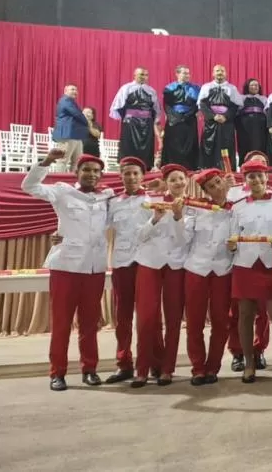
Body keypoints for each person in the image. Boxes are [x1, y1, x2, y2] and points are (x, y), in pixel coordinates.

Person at [21, 149, 112, 391]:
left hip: (94, 269)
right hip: (66, 267)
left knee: (90, 323)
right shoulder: (62, 192)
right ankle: (57, 372)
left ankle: (90, 369)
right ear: (76, 172)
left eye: (96, 171)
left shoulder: (106, 200)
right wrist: (47, 162)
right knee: (61, 323)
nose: (92, 174)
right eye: (87, 170)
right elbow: (30, 186)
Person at [229, 159, 272, 383]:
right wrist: (232, 244)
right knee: (245, 314)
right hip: (245, 265)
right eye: (250, 176)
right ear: (245, 180)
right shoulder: (237, 206)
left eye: (259, 175)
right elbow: (232, 236)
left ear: (266, 177)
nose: (255, 180)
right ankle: (248, 364)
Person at [133, 163, 193, 387]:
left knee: (174, 319)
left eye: (181, 178)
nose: (178, 183)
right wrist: (155, 219)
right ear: (166, 183)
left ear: (186, 181)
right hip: (149, 263)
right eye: (173, 179)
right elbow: (139, 236)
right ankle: (142, 369)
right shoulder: (149, 203)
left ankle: (168, 368)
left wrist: (178, 217)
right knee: (146, 319)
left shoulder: (193, 206)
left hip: (176, 266)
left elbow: (183, 240)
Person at [183, 169, 234, 386]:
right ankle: (197, 368)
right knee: (194, 322)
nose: (216, 188)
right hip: (197, 268)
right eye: (211, 187)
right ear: (205, 191)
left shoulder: (236, 208)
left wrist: (235, 247)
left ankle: (213, 367)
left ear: (225, 181)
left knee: (221, 322)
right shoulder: (196, 208)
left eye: (218, 182)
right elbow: (185, 236)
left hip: (223, 270)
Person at [103, 156, 150, 384]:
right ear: (120, 176)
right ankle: (124, 364)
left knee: (147, 318)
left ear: (143, 177)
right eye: (127, 173)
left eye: (135, 173)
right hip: (122, 263)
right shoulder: (112, 202)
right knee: (122, 317)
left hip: (146, 263)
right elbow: (96, 225)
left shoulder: (153, 199)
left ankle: (148, 365)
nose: (131, 177)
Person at [110, 67, 163, 169]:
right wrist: (127, 117)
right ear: (135, 75)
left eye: (146, 75)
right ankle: (127, 165)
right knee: (129, 145)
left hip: (146, 123)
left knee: (146, 147)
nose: (144, 77)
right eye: (141, 74)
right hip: (131, 122)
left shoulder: (151, 91)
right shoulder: (126, 88)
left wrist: (154, 120)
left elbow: (156, 109)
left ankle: (145, 167)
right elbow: (118, 105)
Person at [198, 65, 242, 169]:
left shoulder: (232, 88)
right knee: (209, 145)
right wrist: (213, 116)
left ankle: (227, 170)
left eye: (222, 71)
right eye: (217, 71)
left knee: (226, 145)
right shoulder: (206, 87)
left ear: (225, 73)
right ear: (213, 73)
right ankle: (208, 169)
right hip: (211, 123)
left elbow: (235, 106)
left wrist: (225, 116)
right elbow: (202, 104)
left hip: (226, 123)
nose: (220, 73)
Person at [162, 66, 200, 170]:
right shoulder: (169, 88)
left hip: (189, 119)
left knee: (190, 143)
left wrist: (188, 115)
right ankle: (172, 166)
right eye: (184, 73)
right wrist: (175, 117)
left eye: (188, 73)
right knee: (172, 143)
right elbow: (167, 105)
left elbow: (197, 104)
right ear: (177, 74)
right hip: (174, 119)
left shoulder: (196, 88)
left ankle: (190, 166)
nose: (187, 75)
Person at [54, 85, 89, 172]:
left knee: (77, 162)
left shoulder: (71, 102)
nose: (75, 91)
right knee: (63, 160)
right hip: (67, 134)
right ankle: (58, 181)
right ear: (65, 91)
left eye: (76, 90)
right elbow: (77, 114)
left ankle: (73, 181)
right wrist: (86, 121)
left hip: (75, 135)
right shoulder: (65, 100)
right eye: (72, 89)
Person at [236, 78, 269, 164]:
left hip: (260, 126)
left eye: (256, 85)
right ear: (247, 87)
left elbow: (268, 113)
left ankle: (260, 164)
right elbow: (236, 113)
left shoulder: (264, 99)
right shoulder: (241, 98)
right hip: (245, 126)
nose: (254, 87)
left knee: (260, 145)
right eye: (252, 85)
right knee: (245, 145)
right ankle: (244, 164)